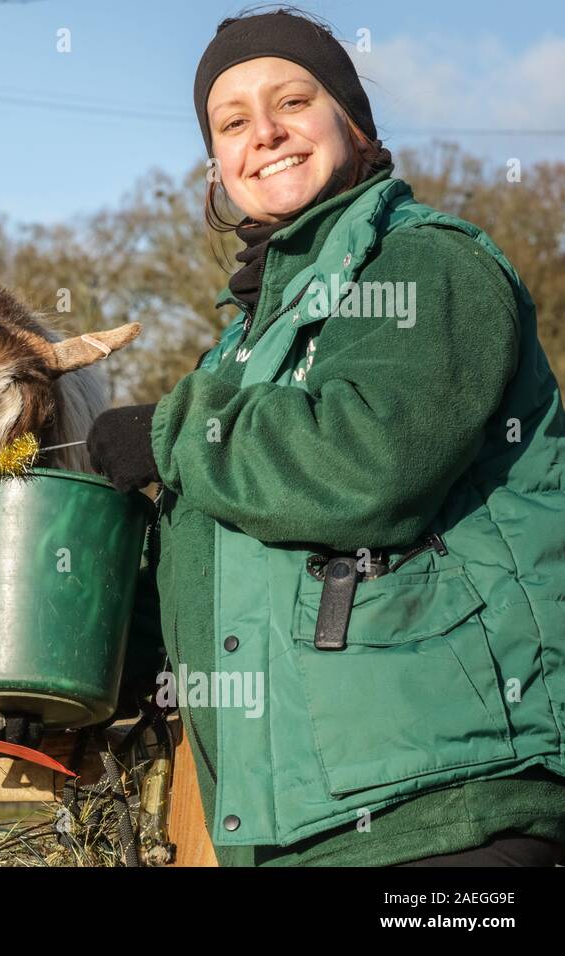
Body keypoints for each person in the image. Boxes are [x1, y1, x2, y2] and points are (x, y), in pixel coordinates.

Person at [88, 7, 565, 867]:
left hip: (444, 812)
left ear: (352, 121)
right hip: (302, 821)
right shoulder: (245, 340)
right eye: (232, 122)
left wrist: (173, 432)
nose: (263, 132)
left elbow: (367, 463)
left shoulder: (422, 264)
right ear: (217, 166)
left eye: (292, 102)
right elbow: (229, 568)